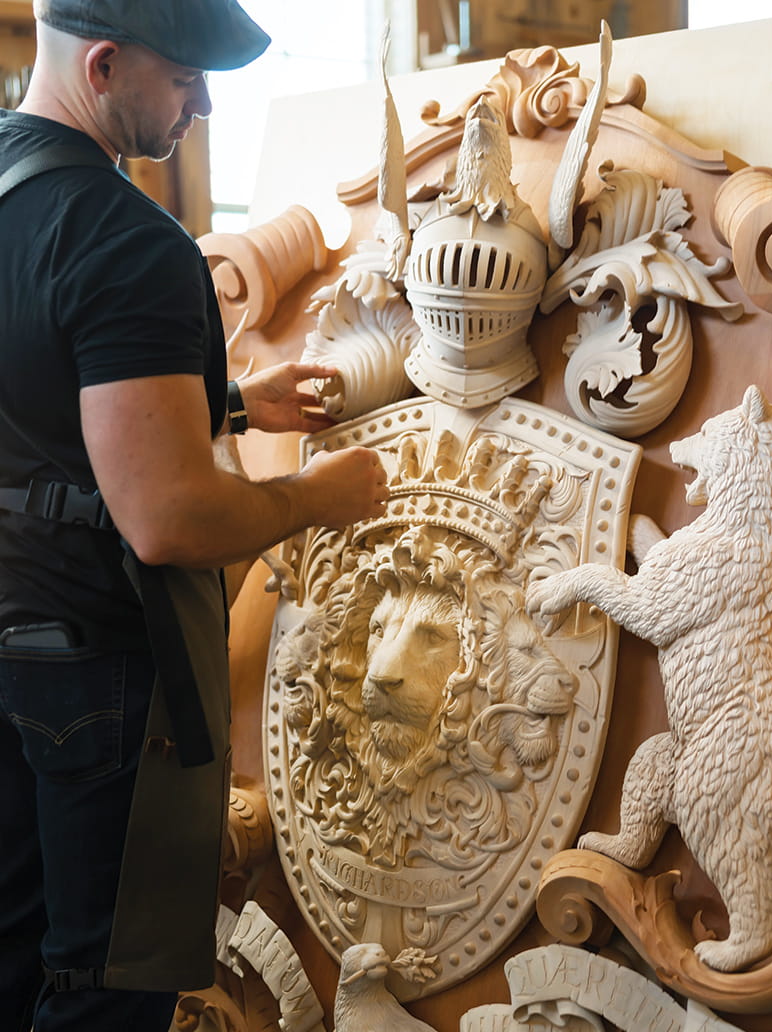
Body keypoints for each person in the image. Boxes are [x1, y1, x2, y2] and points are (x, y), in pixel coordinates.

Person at [0, 1, 389, 1030]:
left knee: (11, 957)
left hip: (9, 629)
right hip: (94, 676)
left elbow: (39, 390)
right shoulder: (127, 241)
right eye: (183, 80)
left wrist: (226, 402)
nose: (204, 106)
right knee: (103, 988)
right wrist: (317, 497)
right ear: (104, 64)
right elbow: (168, 519)